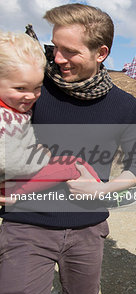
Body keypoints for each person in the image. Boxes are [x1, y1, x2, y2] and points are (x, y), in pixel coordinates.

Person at [0, 4, 136, 294]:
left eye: (70, 51)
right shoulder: (31, 88)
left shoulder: (126, 106)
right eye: (55, 47)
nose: (57, 58)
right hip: (25, 226)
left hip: (88, 232)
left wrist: (103, 189)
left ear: (101, 53)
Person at [0, 30, 101, 203]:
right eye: (20, 89)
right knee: (73, 164)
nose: (31, 96)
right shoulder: (5, 118)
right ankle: (104, 194)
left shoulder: (12, 109)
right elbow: (8, 163)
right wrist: (42, 156)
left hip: (11, 180)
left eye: (37, 88)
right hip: (10, 183)